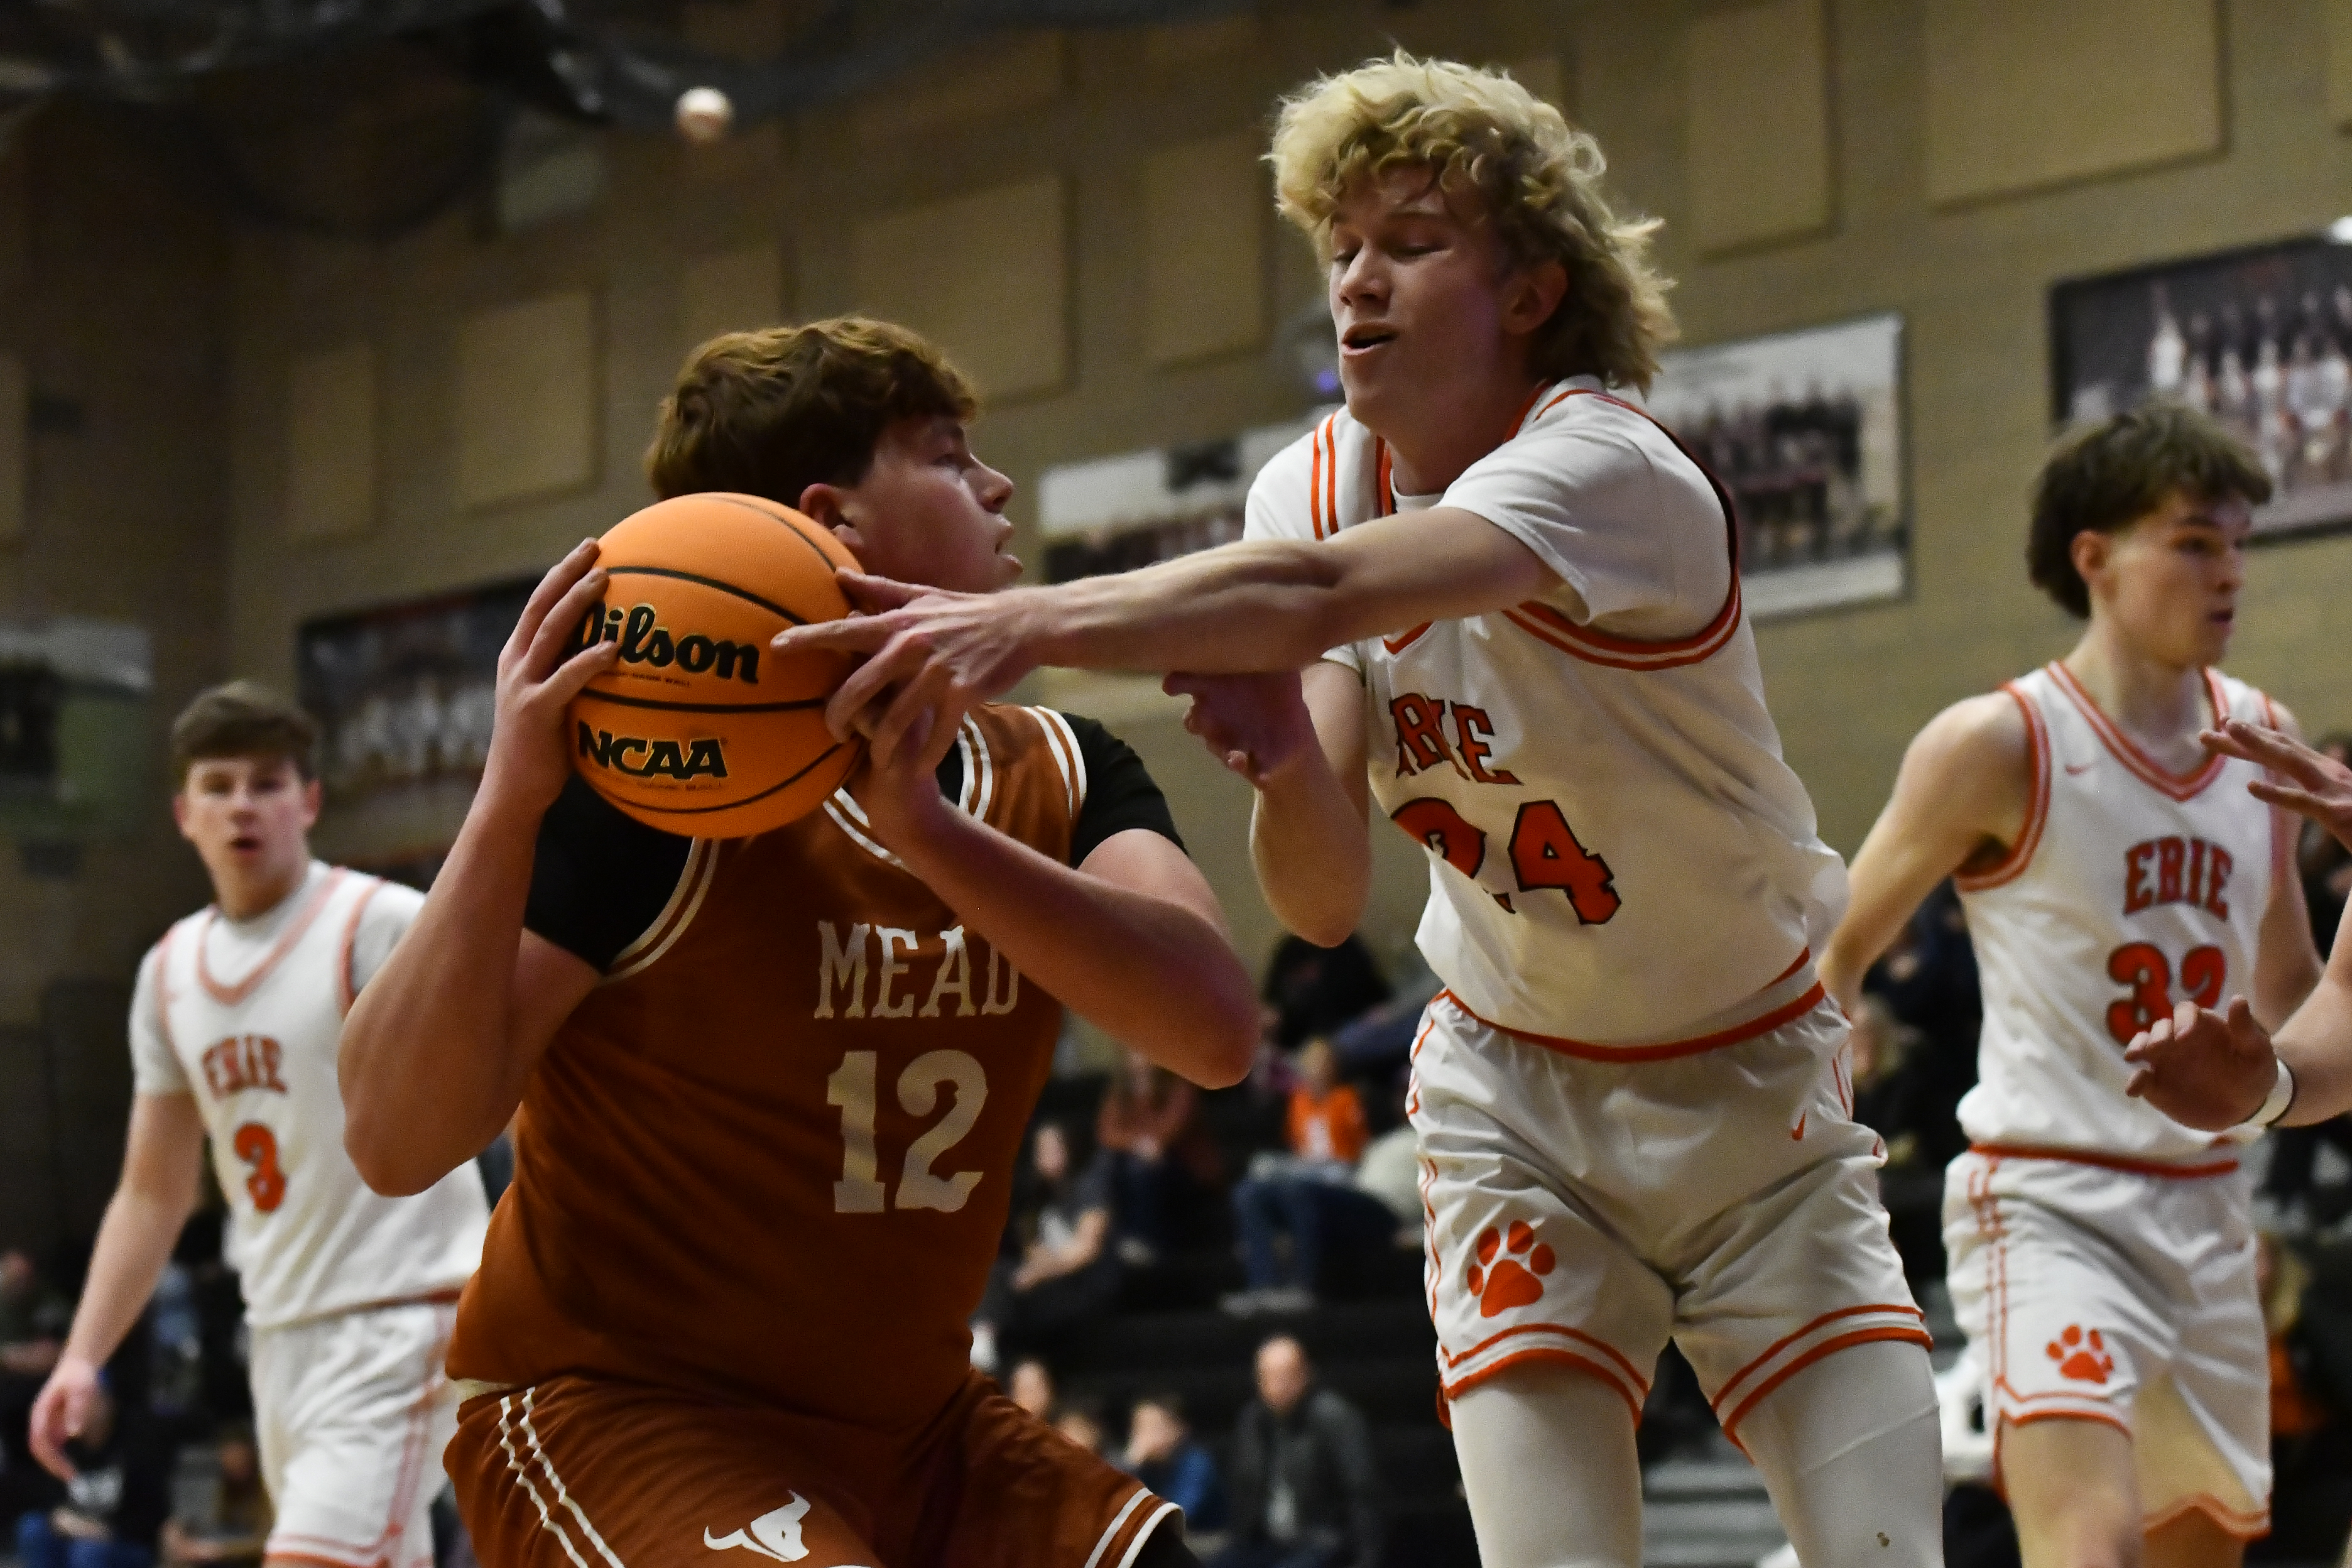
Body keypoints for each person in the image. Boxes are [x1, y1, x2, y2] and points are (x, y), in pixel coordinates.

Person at [776, 53, 1939, 1568]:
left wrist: (1020, 625)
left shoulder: (1609, 467)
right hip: (1516, 1097)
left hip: (1750, 1089)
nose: (1358, 281)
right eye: (1340, 250)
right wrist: (1275, 756)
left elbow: (1319, 596)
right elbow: (1322, 895)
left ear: (1528, 289)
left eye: (1411, 240)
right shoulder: (1309, 489)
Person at [335, 317, 1258, 1568]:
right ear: (837, 520)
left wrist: (926, 833)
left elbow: (1212, 1031)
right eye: (945, 455)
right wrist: (508, 796)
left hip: (921, 1429)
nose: (994, 486)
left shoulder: (1065, 765)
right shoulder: (647, 798)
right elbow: (394, 1139)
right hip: (626, 1415)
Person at [1822, 403, 2323, 1568]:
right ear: (2095, 557)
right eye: (2196, 542)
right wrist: (1836, 1029)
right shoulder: (1999, 743)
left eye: (2241, 544)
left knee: (2202, 1555)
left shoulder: (2264, 737)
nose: (2231, 572)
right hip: (2048, 1199)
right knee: (2086, 1549)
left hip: (2206, 1203)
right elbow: (1836, 944)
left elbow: (2294, 981)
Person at [27, 683, 487, 1568]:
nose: (244, 804)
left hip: (406, 1316)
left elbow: (499, 1090)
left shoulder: (377, 922)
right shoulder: (169, 972)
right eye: (221, 784)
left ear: (309, 801)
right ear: (183, 813)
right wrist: (83, 1355)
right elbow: (152, 1189)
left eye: (268, 783)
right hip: (280, 1331)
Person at [1225, 1041, 1391, 1314]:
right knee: (1250, 1189)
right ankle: (1262, 1285)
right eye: (1311, 1065)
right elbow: (1297, 1145)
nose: (1315, 1072)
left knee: (1296, 1190)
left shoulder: (1346, 1098)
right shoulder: (1299, 1101)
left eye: (1322, 1064)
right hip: (1305, 1169)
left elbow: (1357, 1151)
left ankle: (1303, 1285)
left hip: (1341, 1173)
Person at [1211, 1337, 1379, 1568]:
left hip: (1323, 1539)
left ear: (1306, 1374)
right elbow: (1243, 1489)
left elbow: (1362, 1492)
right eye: (1269, 1376)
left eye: (1287, 1375)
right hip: (1264, 1542)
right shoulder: (1252, 1421)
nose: (1279, 1384)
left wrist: (1367, 1558)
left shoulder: (1335, 1417)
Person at [972, 1122, 1123, 1368]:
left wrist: (1039, 1272)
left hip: (1087, 1283)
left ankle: (984, 1338)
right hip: (1052, 1282)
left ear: (1069, 1147)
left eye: (1054, 1147)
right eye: (1041, 1148)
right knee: (996, 1274)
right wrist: (1034, 1270)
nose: (1047, 1154)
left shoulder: (1090, 1187)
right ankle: (981, 1339)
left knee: (1005, 1289)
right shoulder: (1034, 1199)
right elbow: (1033, 1250)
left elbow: (1087, 1249)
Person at [15, 1375, 171, 1568]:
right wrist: (60, 1516)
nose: (82, 1408)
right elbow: (47, 1499)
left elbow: (153, 1515)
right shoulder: (63, 1447)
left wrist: (106, 1531)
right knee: (32, 1528)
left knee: (89, 1551)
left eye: (90, 1400)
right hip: (75, 1531)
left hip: (122, 1541)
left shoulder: (135, 1449)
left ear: (109, 1403)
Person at [1097, 1047, 1218, 1262]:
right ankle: (1112, 1240)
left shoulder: (1177, 1083)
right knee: (1110, 1165)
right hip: (1140, 1159)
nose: (1139, 1057)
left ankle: (1146, 1240)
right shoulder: (1121, 1091)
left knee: (1139, 1170)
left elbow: (1177, 1124)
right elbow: (1107, 1132)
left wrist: (1153, 1143)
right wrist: (1138, 1144)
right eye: (1133, 1051)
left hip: (1183, 1164)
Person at [159, 1426, 270, 1568]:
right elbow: (200, 1522)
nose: (234, 1461)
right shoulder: (223, 1487)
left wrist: (220, 1550)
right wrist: (177, 1530)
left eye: (239, 1455)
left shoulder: (268, 1490)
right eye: (228, 1455)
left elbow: (266, 1543)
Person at [1122, 1392, 1226, 1541]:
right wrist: (1130, 1465)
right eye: (1141, 1428)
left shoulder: (1197, 1463)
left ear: (1180, 1428)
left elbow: (1179, 1516)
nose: (1148, 1437)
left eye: (1156, 1427)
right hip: (1161, 1539)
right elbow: (1115, 1513)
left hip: (1205, 1540)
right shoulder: (1140, 1466)